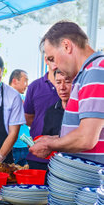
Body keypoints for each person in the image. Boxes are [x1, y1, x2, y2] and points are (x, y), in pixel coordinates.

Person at [30, 21, 104, 164]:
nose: (53, 66)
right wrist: (56, 139)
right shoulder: (86, 74)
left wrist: (49, 144)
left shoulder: (96, 70)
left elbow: (86, 139)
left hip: (91, 182)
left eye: (52, 58)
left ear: (66, 46)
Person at [24, 53, 59, 169]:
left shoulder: (73, 85)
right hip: (37, 156)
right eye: (52, 59)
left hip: (64, 157)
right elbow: (29, 118)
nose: (56, 63)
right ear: (46, 60)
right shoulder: (34, 86)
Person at [42, 69, 72, 137]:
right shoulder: (51, 112)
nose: (62, 87)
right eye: (58, 82)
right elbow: (46, 138)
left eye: (67, 82)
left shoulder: (83, 110)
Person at [9, 69, 30, 165]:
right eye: (25, 80)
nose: (27, 84)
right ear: (14, 81)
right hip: (13, 146)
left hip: (26, 144)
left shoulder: (23, 98)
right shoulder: (4, 98)